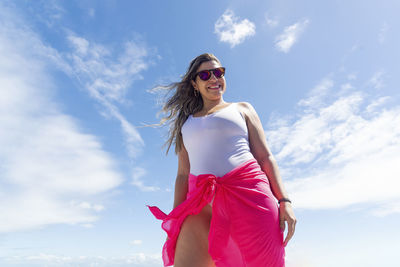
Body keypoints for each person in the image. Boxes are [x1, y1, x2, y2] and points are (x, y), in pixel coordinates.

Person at [147, 53, 296, 267]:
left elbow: (265, 157)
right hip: (199, 203)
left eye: (218, 72)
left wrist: (284, 201)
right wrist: (176, 219)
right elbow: (182, 174)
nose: (214, 79)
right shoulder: (185, 124)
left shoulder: (243, 109)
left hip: (250, 196)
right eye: (205, 75)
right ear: (194, 84)